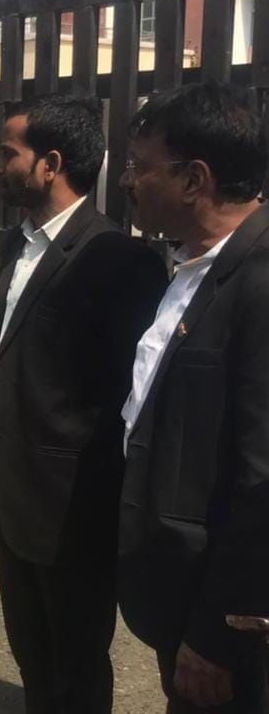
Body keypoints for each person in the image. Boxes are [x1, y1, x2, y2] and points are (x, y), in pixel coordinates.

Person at [0, 94, 168, 713]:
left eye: (8, 152)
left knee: (77, 668)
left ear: (50, 164)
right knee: (33, 656)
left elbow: (127, 403)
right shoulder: (17, 243)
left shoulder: (118, 259)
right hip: (13, 498)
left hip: (73, 514)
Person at [118, 83, 269, 712]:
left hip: (224, 624)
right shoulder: (190, 264)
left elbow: (262, 479)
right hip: (175, 591)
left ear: (193, 179)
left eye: (140, 166)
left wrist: (218, 632)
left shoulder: (260, 281)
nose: (127, 181)